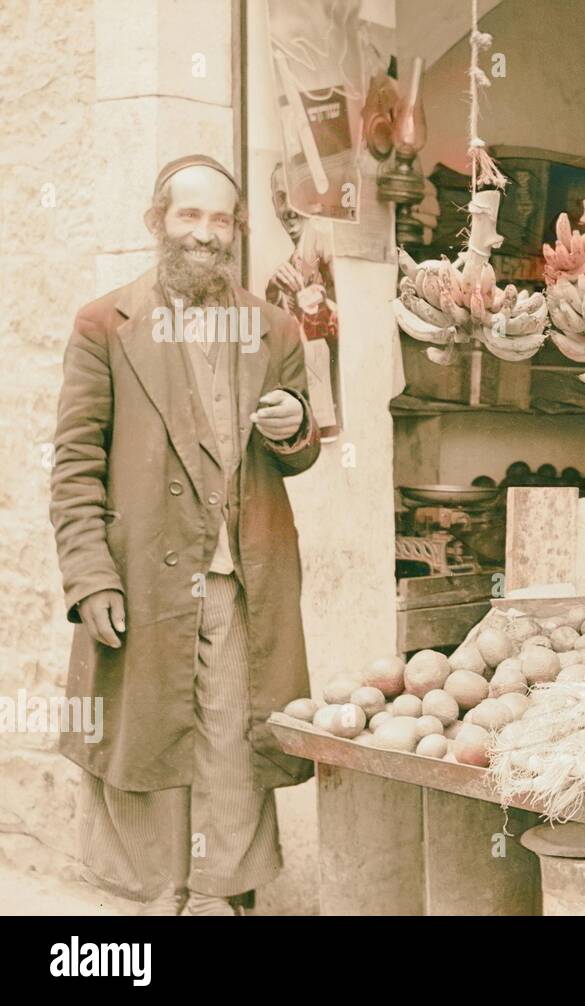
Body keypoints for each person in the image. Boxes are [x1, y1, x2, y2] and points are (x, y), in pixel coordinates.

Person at [49, 154, 320, 916]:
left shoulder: (271, 327)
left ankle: (222, 896)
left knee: (235, 738)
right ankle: (159, 897)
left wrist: (294, 427)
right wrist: (90, 577)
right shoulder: (105, 324)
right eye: (189, 216)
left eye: (221, 219)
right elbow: (73, 466)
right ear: (157, 222)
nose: (206, 233)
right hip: (144, 578)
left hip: (243, 581)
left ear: (236, 231)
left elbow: (299, 446)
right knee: (153, 740)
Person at [266, 162, 341, 439]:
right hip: (304, 419)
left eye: (298, 194)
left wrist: (305, 300)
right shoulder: (288, 269)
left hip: (342, 410)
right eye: (280, 197)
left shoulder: (329, 241)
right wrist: (277, 294)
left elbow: (351, 328)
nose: (288, 208)